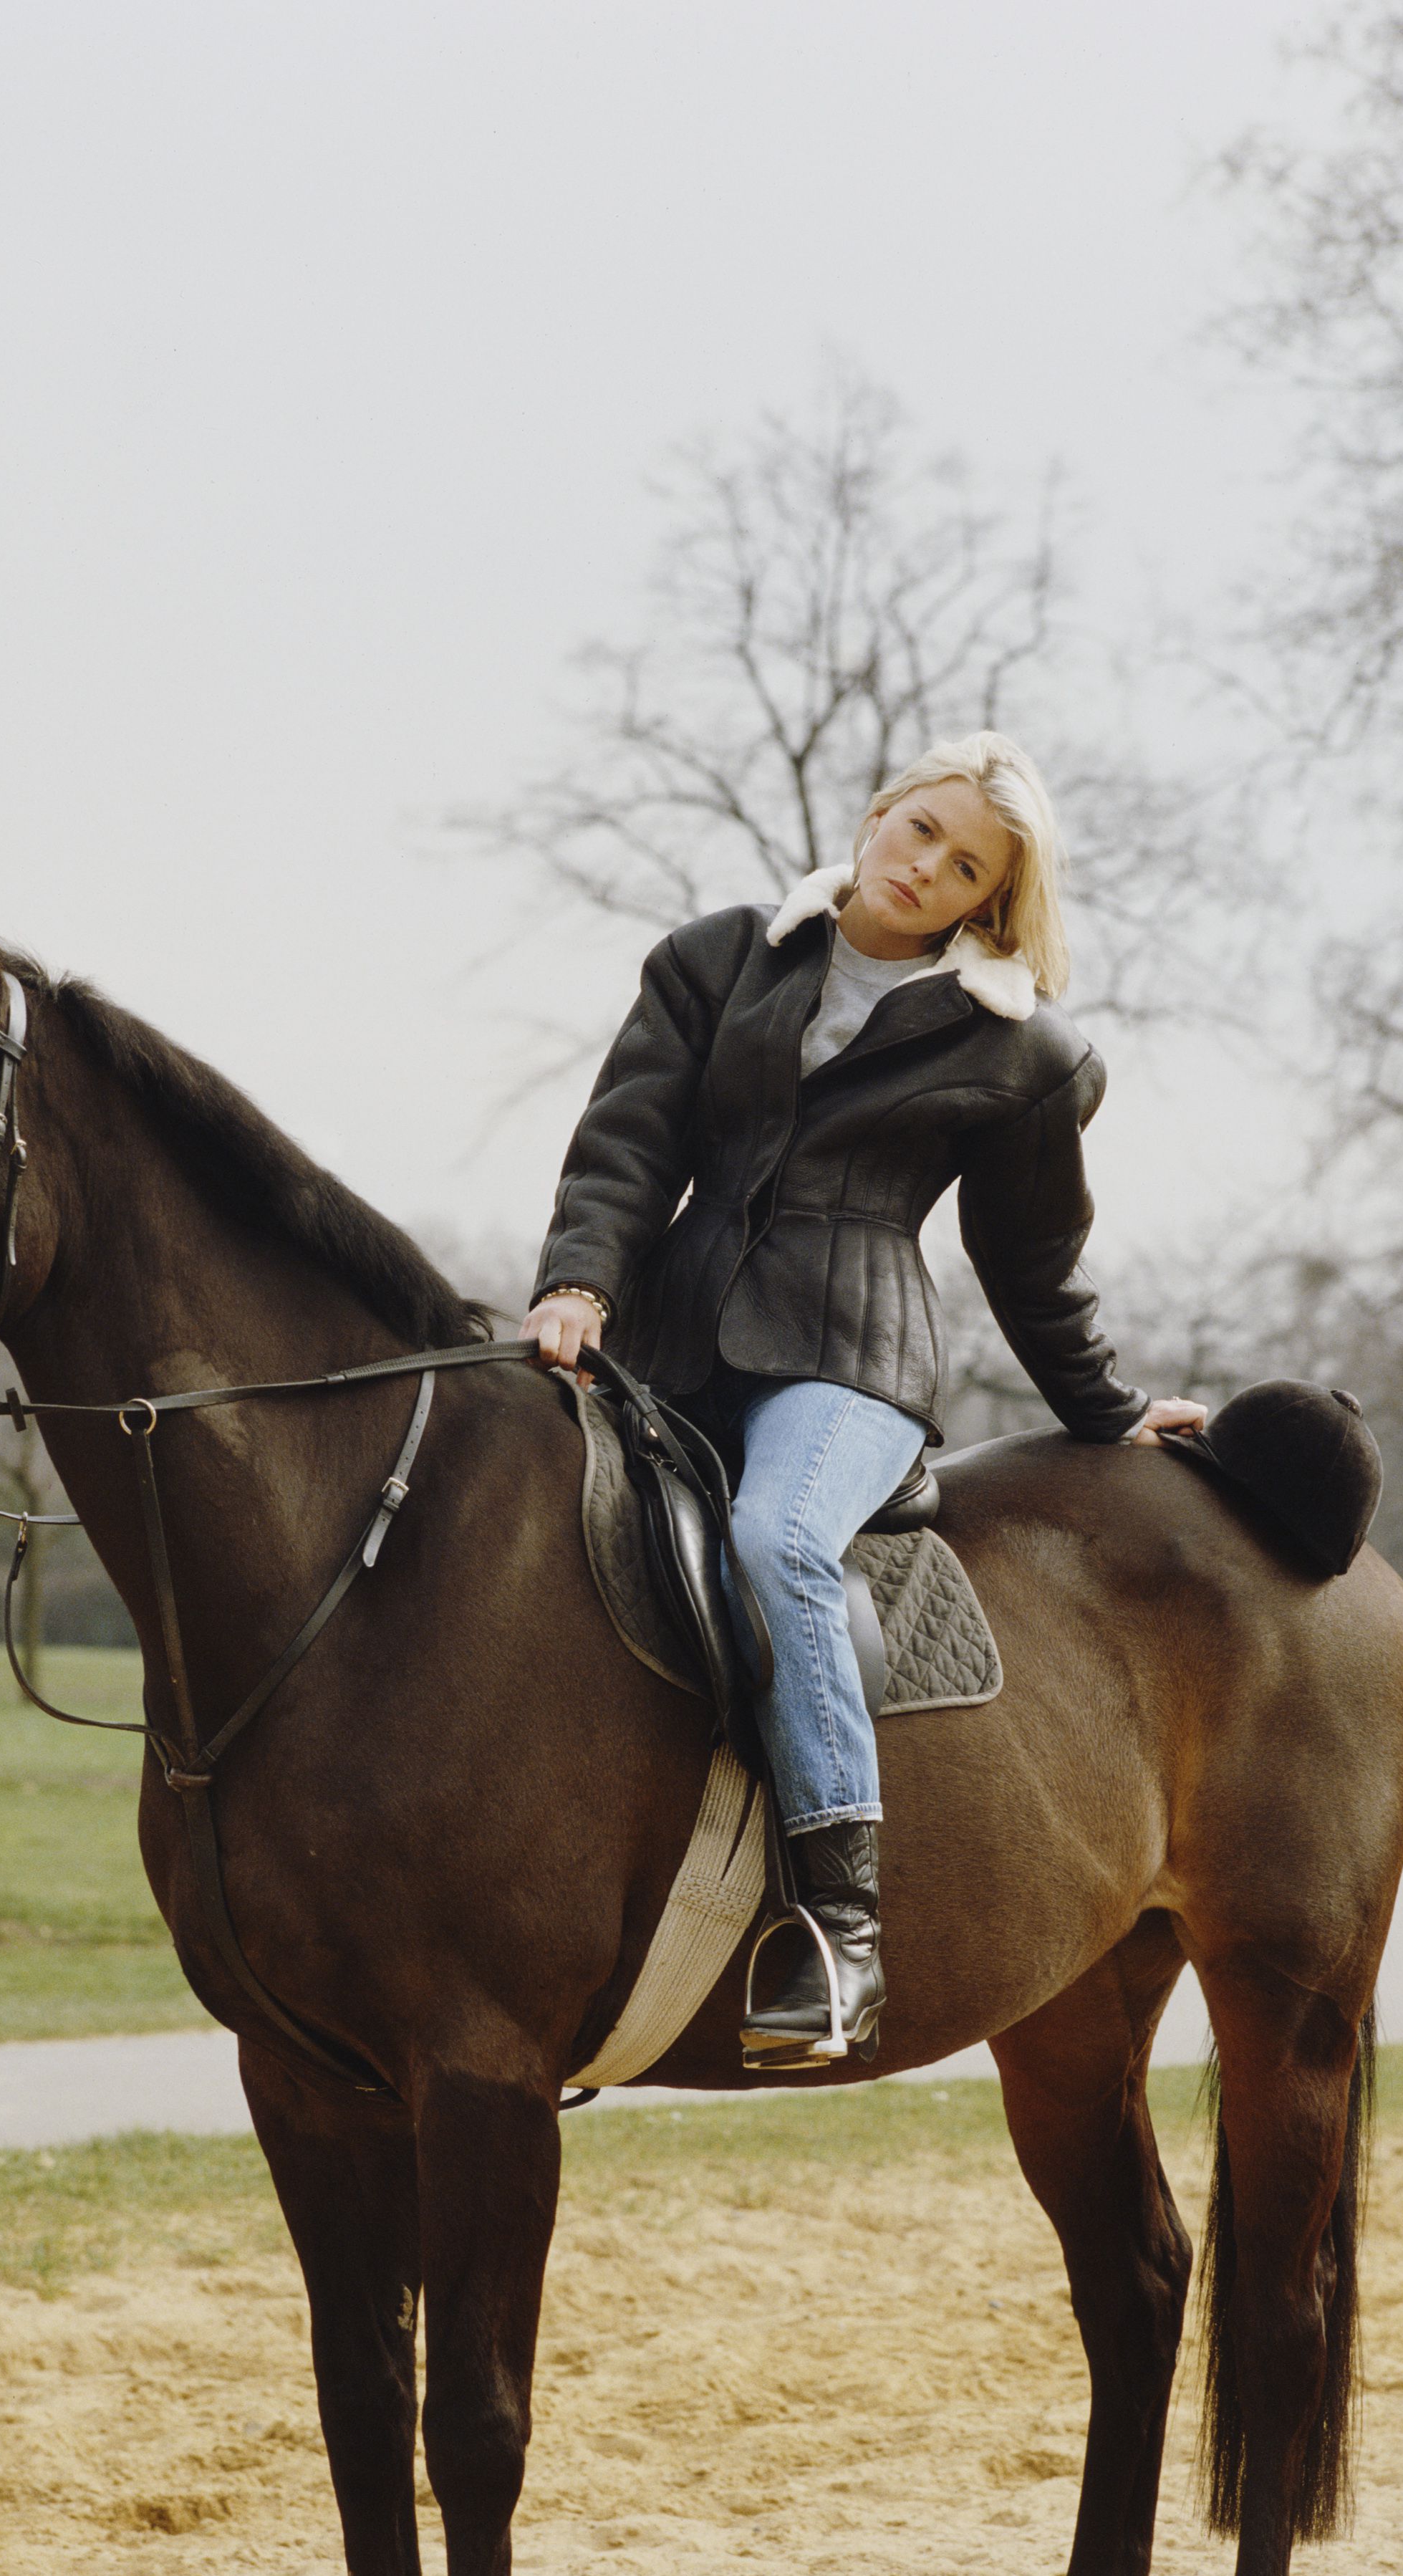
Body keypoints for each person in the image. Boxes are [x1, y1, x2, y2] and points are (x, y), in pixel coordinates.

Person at [524, 732, 1206, 2069]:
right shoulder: (715, 959)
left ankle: (840, 1930)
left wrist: (1106, 1404)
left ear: (987, 903)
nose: (926, 868)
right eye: (922, 832)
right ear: (880, 809)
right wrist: (578, 1287)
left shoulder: (1019, 1055)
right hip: (658, 1343)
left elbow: (1032, 1263)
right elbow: (626, 1146)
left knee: (777, 1542)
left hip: (846, 1371)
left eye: (966, 868)